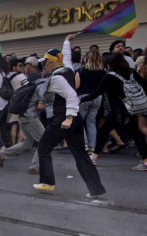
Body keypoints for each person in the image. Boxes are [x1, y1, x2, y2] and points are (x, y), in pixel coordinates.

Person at [33, 48, 106, 198]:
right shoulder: (68, 70)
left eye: (45, 63)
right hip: (73, 119)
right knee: (81, 154)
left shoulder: (56, 78)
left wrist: (69, 117)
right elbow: (66, 57)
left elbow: (72, 96)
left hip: (62, 119)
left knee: (44, 148)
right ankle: (96, 188)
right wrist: (67, 41)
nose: (44, 66)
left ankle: (48, 182)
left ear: (51, 63)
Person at [81, 53, 147, 170]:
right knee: (109, 131)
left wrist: (81, 99)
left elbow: (96, 93)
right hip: (132, 109)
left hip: (119, 111)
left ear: (110, 64)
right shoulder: (131, 72)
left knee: (113, 132)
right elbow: (145, 85)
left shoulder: (110, 77)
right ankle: (94, 157)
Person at [0, 58, 43, 175]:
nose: (23, 67)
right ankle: (34, 166)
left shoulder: (20, 77)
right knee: (44, 141)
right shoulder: (35, 78)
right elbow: (40, 104)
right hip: (31, 115)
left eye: (23, 65)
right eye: (21, 65)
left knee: (27, 142)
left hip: (22, 114)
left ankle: (1, 154)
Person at [75, 50, 107, 153]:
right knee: (91, 122)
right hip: (97, 97)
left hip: (83, 97)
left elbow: (77, 85)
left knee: (79, 121)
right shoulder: (103, 72)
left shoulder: (81, 70)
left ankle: (84, 143)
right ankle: (92, 146)